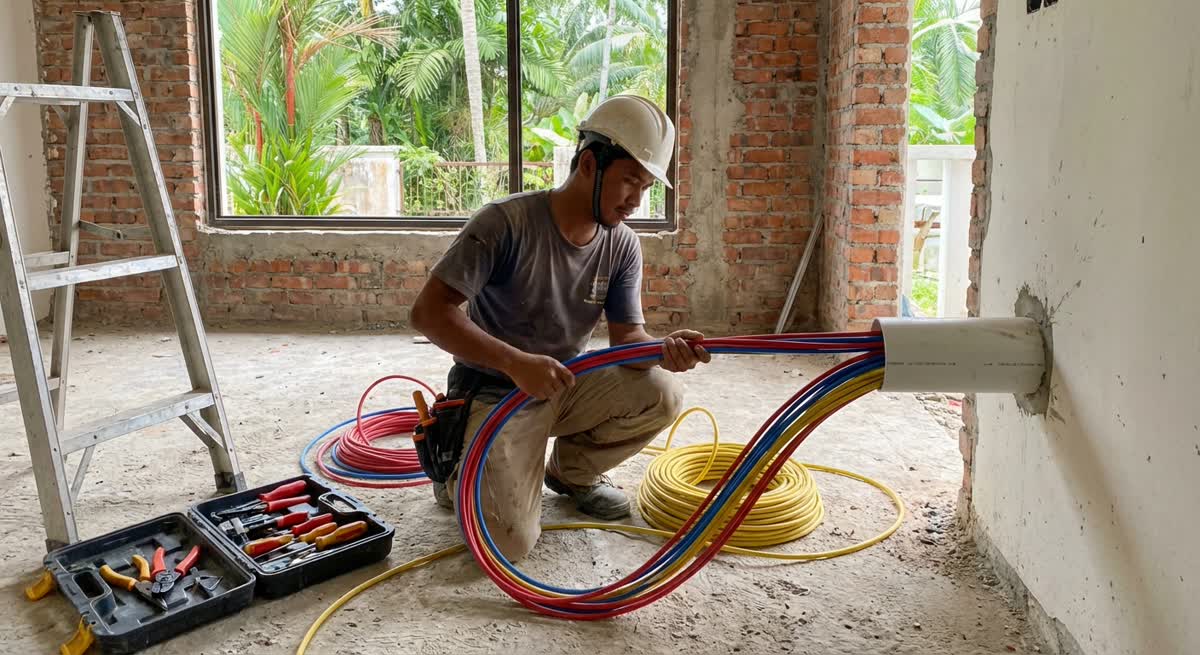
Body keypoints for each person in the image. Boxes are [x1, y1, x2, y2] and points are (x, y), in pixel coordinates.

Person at [411, 94, 711, 562]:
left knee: (662, 391)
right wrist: (514, 363)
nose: (637, 200)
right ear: (589, 164)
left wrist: (664, 349)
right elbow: (428, 313)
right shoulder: (504, 223)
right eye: (630, 181)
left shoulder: (622, 245)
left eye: (647, 185)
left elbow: (628, 338)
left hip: (565, 383)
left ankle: (572, 473)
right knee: (506, 544)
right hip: (495, 390)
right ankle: (456, 474)